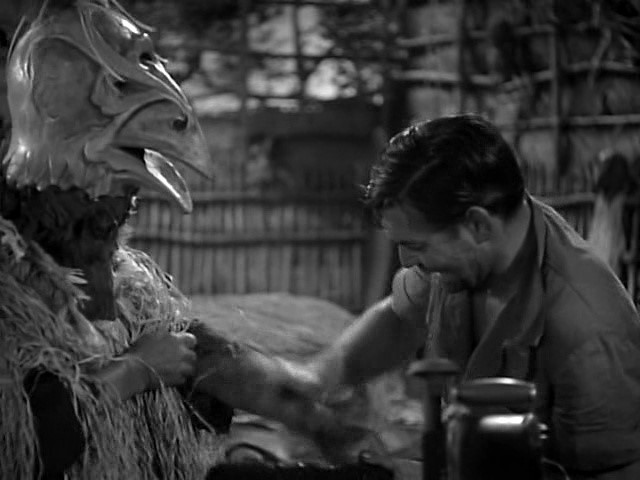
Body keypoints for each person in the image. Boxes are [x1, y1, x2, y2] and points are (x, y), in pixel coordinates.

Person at [283, 114, 640, 479]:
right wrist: (320, 376)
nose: (405, 261)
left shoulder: (588, 330)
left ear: (478, 224)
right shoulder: (463, 253)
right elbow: (400, 319)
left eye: (416, 245)